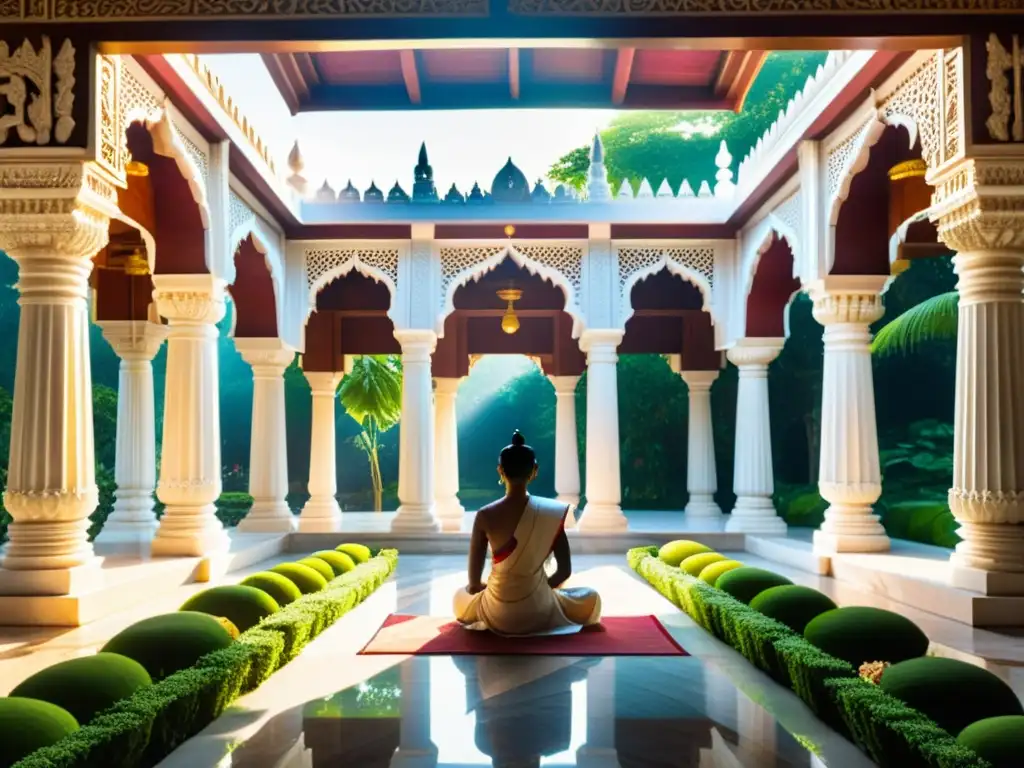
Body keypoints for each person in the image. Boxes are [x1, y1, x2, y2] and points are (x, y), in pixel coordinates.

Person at [453, 430, 602, 636]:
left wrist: (488, 588)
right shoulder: (551, 513)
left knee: (459, 597)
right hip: (539, 609)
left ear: (500, 471)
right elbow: (564, 571)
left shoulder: (485, 515)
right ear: (535, 470)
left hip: (496, 612)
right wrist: (537, 589)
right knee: (591, 597)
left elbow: (474, 584)